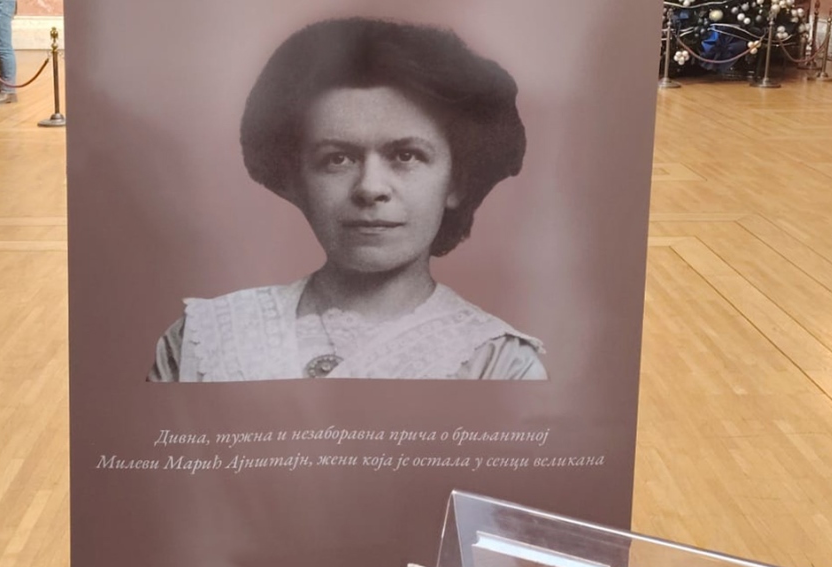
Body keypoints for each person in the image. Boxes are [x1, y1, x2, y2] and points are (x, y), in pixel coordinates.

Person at [149, 16, 546, 382]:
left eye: (406, 155)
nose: (370, 188)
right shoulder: (203, 339)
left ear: (456, 182)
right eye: (337, 159)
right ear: (295, 179)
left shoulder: (498, 361)